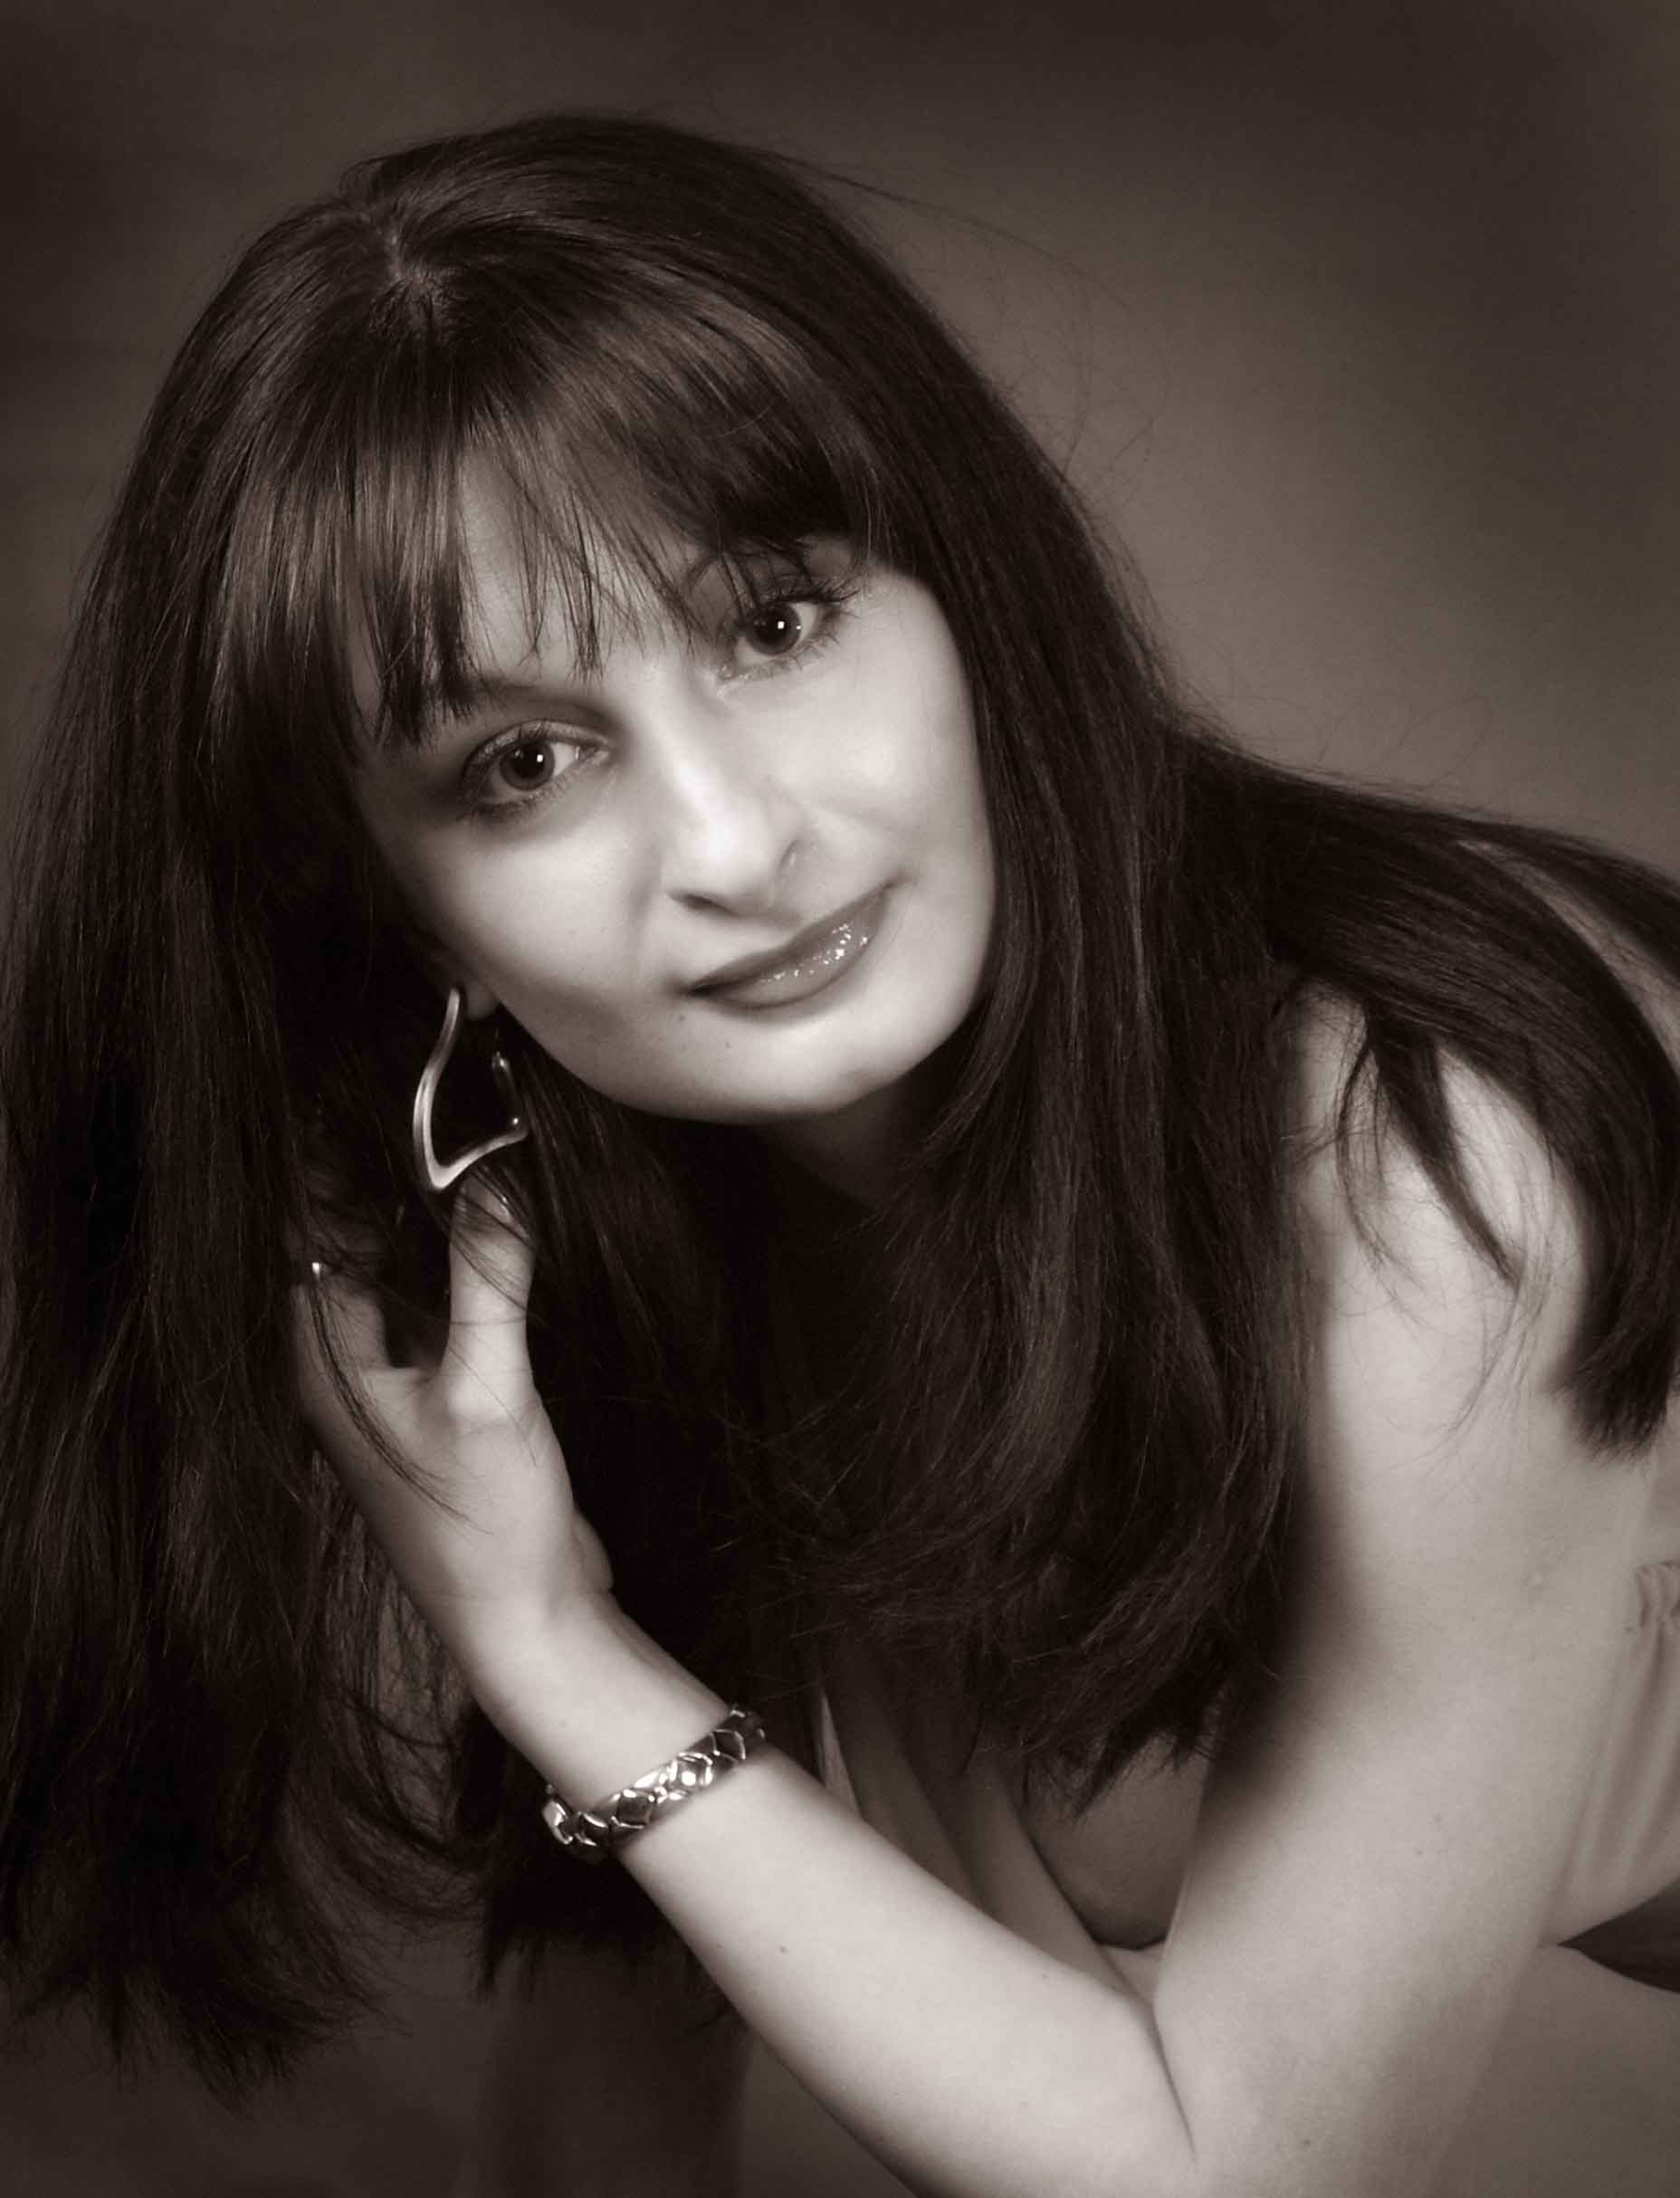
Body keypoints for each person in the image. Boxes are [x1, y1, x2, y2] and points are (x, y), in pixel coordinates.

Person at [2, 111, 1677, 2198]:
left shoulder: (1423, 1150)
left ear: (960, 589)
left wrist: (548, 1641)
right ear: (393, 909)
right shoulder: (604, 1241)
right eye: (525, 762)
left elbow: (1241, 2175)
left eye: (776, 622)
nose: (735, 841)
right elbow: (606, 2100)